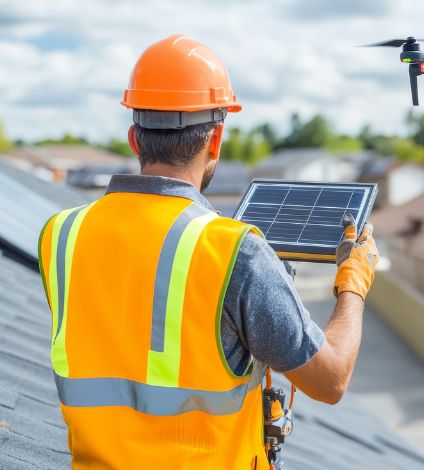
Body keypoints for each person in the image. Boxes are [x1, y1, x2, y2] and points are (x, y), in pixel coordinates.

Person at [37, 34, 378, 469]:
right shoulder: (235, 252)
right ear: (215, 141)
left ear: (134, 138)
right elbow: (330, 381)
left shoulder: (61, 235)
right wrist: (354, 284)